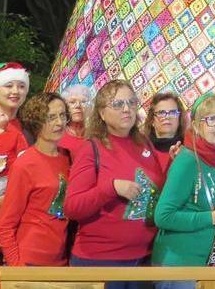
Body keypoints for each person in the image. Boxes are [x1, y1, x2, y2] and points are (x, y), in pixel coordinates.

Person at [66, 80, 169, 288]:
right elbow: (72, 207)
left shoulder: (144, 143)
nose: (126, 109)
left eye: (131, 103)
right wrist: (111, 188)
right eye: (117, 104)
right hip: (100, 263)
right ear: (102, 113)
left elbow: (156, 186)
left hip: (144, 261)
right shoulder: (91, 148)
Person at [152, 93, 215, 287]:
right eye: (210, 119)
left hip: (204, 262)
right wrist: (211, 217)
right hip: (177, 264)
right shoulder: (186, 161)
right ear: (195, 125)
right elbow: (163, 216)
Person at [0, 92, 73, 266]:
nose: (59, 123)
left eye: (62, 116)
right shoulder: (25, 165)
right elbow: (5, 226)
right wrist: (18, 268)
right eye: (51, 117)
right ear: (36, 122)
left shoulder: (68, 158)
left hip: (60, 260)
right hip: (30, 261)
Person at [59, 84, 92, 154]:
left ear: (90, 107)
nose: (78, 105)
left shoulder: (97, 136)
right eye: (72, 102)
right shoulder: (56, 135)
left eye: (83, 102)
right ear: (64, 107)